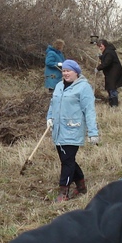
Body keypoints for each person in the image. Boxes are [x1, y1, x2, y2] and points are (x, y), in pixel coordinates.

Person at [47, 60, 99, 202]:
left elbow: (89, 111)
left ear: (76, 72)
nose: (65, 73)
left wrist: (93, 132)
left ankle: (63, 191)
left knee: (67, 162)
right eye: (63, 71)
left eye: (68, 71)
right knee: (68, 159)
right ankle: (81, 186)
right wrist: (49, 118)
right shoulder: (59, 86)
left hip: (72, 129)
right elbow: (53, 103)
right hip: (58, 130)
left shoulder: (84, 88)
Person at [95, 39, 122, 107]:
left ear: (104, 45)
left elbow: (106, 62)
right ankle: (111, 103)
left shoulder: (109, 52)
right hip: (111, 73)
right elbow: (105, 57)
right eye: (99, 47)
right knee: (110, 88)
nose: (100, 48)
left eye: (101, 46)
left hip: (114, 73)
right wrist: (100, 57)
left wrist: (98, 68)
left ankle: (114, 104)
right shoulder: (108, 51)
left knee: (112, 88)